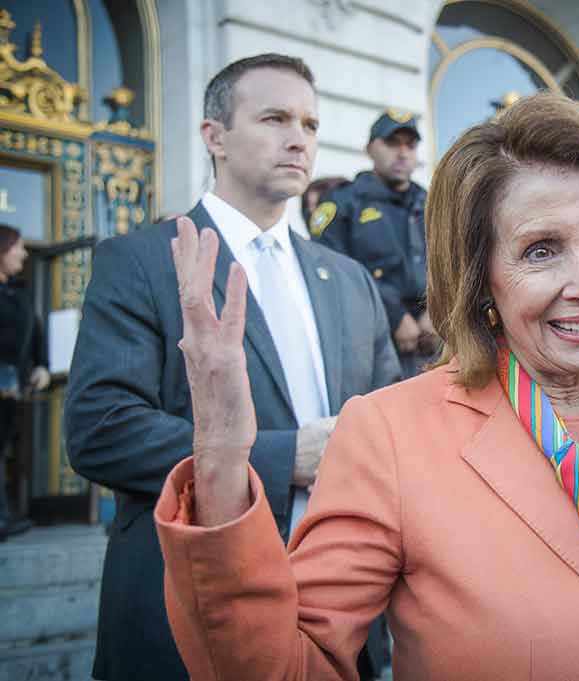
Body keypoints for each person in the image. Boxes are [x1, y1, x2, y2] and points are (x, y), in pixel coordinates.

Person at [153, 92, 579, 681]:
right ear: (480, 280)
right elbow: (285, 668)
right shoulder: (389, 435)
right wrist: (222, 462)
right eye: (541, 250)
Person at [65, 54, 400, 681]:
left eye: (309, 123)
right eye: (274, 117)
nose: (298, 137)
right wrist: (283, 457)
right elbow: (100, 429)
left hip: (337, 617)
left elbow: (389, 428)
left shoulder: (351, 282)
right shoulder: (141, 260)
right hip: (187, 616)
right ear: (213, 135)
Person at [313, 110, 437, 378]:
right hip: (369, 344)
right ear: (370, 149)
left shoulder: (433, 204)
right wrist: (394, 315)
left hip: (431, 342)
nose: (403, 152)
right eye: (393, 143)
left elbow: (455, 263)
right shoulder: (341, 204)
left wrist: (437, 308)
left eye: (410, 145)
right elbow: (333, 273)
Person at [0, 225, 49, 541]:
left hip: (11, 391)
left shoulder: (19, 292)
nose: (24, 253)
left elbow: (36, 333)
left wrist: (42, 365)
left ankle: (4, 516)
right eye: (18, 246)